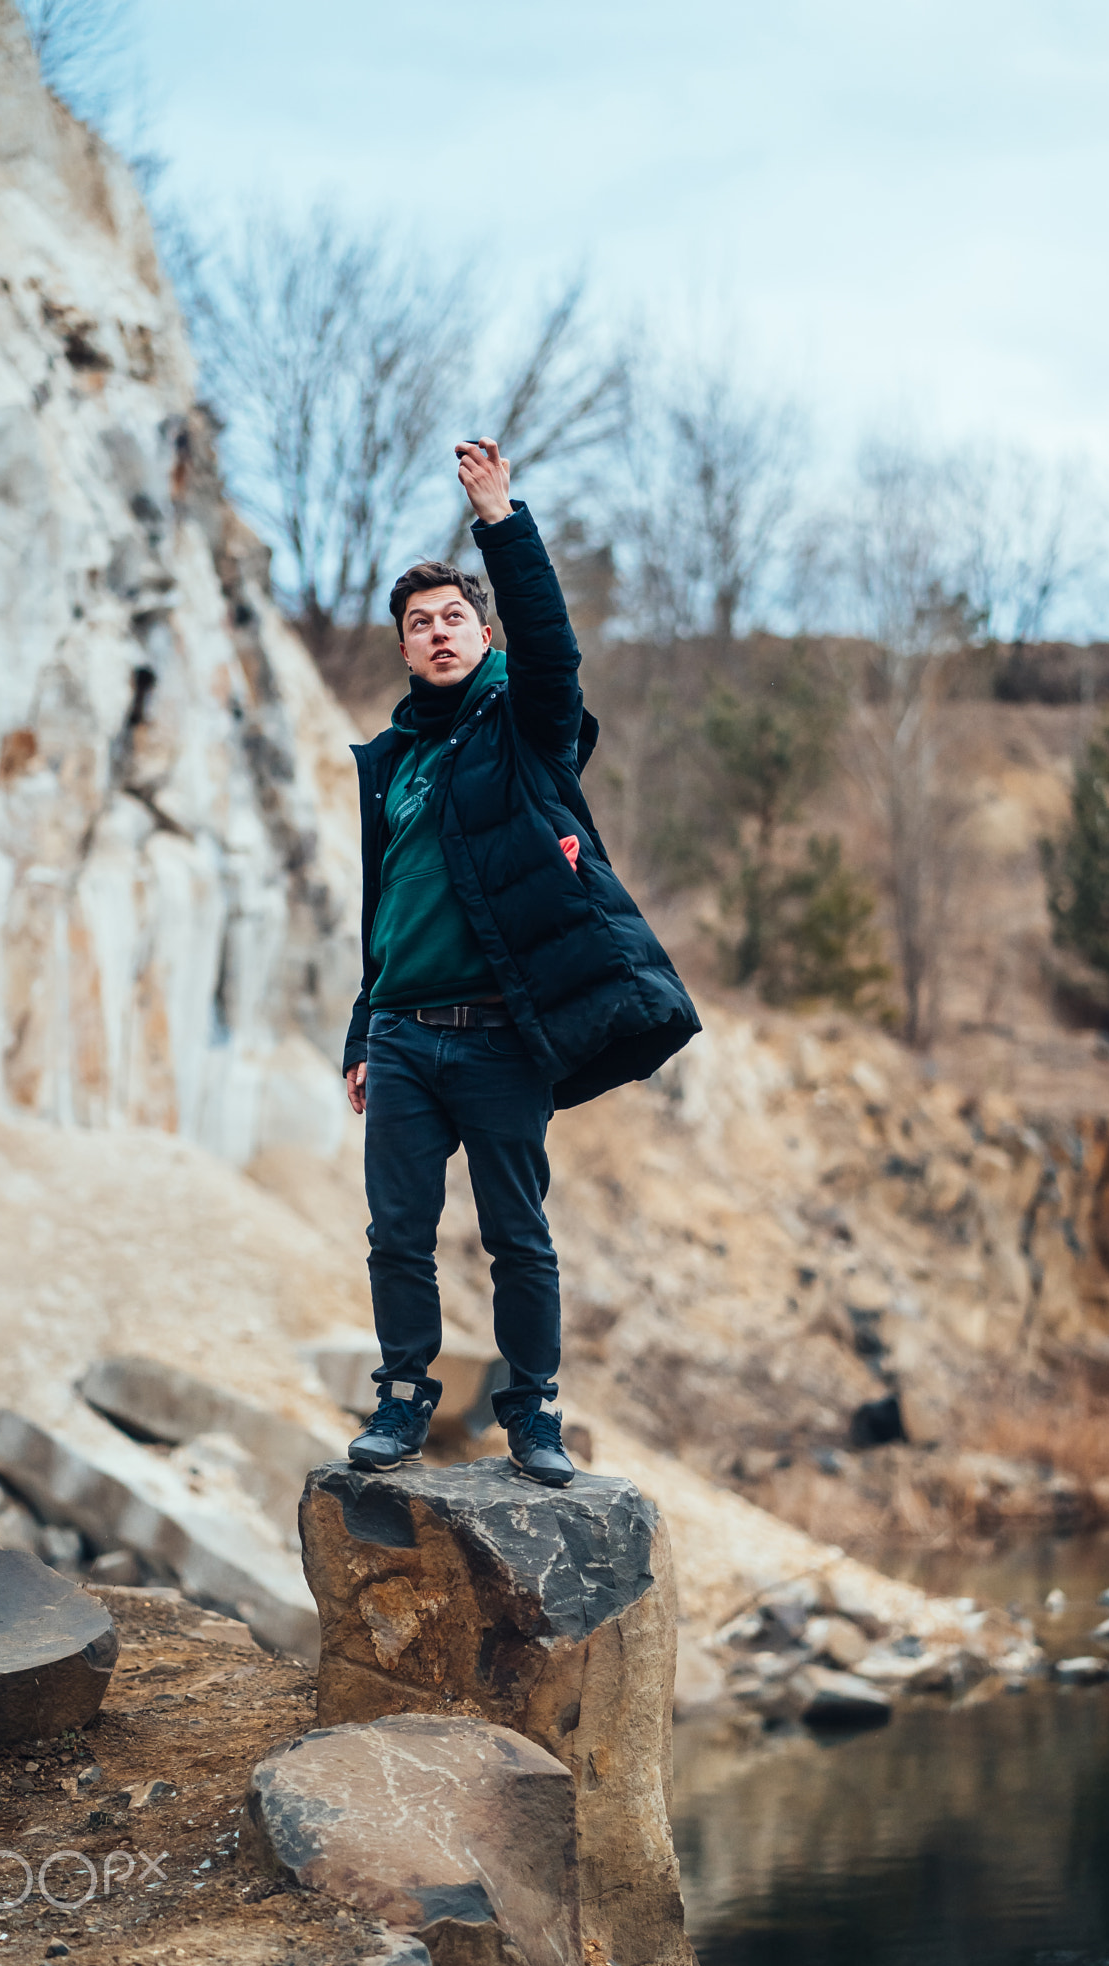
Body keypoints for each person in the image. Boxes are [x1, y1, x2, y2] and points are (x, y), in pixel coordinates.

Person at [343, 437, 699, 1486]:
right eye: (419, 624)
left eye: (454, 616)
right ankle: (403, 1398)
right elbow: (389, 913)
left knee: (517, 1237)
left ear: (481, 632)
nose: (438, 632)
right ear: (405, 650)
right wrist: (364, 1032)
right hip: (405, 1035)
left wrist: (499, 519)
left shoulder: (524, 727)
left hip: (501, 1033)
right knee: (397, 1234)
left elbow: (552, 644)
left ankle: (533, 1412)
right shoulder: (393, 766)